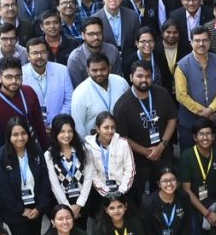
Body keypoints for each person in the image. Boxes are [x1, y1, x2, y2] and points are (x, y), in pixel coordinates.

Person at [0, 117, 54, 235]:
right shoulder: (0, 158)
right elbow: (3, 190)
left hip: (35, 208)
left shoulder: (35, 151)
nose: (20, 138)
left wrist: (39, 207)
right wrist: (21, 210)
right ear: (9, 136)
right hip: (15, 213)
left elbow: (44, 179)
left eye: (23, 133)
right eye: (15, 134)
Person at [113, 61, 179, 197]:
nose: (144, 79)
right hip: (137, 158)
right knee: (138, 195)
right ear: (131, 77)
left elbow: (172, 119)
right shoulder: (122, 105)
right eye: (139, 76)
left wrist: (161, 145)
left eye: (148, 76)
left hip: (163, 152)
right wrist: (146, 152)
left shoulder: (162, 93)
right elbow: (122, 137)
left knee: (164, 191)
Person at [178, 118, 216, 235]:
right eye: (201, 134)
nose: (205, 138)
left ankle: (212, 227)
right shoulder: (187, 156)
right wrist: (207, 214)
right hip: (193, 203)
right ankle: (205, 226)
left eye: (208, 134)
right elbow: (186, 190)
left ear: (213, 136)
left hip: (212, 200)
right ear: (195, 137)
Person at [174, 26, 216, 148]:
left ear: (209, 42)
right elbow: (181, 95)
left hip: (212, 119)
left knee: (211, 153)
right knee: (188, 155)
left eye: (205, 40)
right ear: (191, 43)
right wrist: (203, 111)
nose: (201, 44)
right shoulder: (182, 65)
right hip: (189, 122)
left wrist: (211, 109)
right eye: (197, 40)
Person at [0, 56, 51, 149]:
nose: (14, 81)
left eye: (17, 76)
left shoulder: (29, 92)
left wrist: (46, 148)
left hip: (33, 146)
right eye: (8, 77)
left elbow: (39, 124)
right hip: (8, 151)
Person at [47, 114, 94, 226]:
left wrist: (79, 205)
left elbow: (88, 178)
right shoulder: (49, 155)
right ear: (55, 133)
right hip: (61, 202)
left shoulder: (85, 150)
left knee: (82, 231)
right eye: (62, 132)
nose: (67, 135)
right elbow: (55, 185)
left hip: (82, 199)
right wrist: (68, 208)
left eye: (70, 131)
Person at [71, 53, 130, 138]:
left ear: (109, 68)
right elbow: (78, 126)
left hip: (122, 139)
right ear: (88, 70)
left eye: (103, 69)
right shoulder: (80, 93)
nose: (99, 73)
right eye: (94, 70)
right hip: (95, 142)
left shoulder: (121, 82)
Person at [24, 37, 74, 131]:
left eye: (43, 52)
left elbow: (69, 100)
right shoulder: (21, 75)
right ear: (28, 56)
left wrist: (56, 124)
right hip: (32, 129)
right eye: (35, 53)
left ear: (47, 53)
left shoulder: (62, 70)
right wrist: (38, 127)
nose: (39, 56)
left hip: (59, 128)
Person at [85, 111, 136, 198]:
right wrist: (106, 192)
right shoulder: (89, 146)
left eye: (113, 127)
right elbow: (92, 173)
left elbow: (130, 170)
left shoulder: (123, 144)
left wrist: (121, 191)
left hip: (123, 190)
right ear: (97, 129)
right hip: (99, 193)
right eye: (106, 127)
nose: (110, 131)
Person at [95, 0, 142, 64]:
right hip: (106, 63)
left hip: (130, 62)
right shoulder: (95, 19)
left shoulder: (132, 16)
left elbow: (138, 40)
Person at [0, 23, 30, 95]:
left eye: (12, 38)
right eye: (4, 39)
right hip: (0, 97)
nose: (9, 42)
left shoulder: (24, 53)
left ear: (17, 39)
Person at [135, 26, 175, 95]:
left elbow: (167, 80)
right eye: (143, 41)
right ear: (137, 43)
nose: (147, 44)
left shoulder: (160, 57)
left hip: (160, 97)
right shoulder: (130, 61)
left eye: (150, 41)